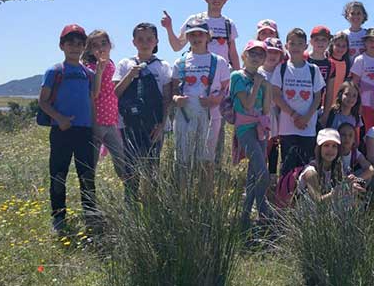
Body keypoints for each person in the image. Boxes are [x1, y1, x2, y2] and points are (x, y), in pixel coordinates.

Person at [39, 24, 98, 235]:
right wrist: (60, 119)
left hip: (84, 132)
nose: (75, 47)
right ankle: (58, 217)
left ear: (84, 47)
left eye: (79, 44)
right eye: (70, 43)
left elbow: (91, 102)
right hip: (61, 131)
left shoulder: (89, 74)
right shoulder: (54, 72)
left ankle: (91, 215)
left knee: (87, 176)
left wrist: (94, 128)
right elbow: (43, 101)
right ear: (62, 46)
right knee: (58, 175)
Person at [113, 23, 173, 198]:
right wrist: (130, 75)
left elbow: (167, 98)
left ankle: (151, 201)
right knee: (130, 165)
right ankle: (130, 201)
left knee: (152, 165)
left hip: (155, 124)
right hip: (129, 123)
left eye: (149, 39)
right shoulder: (125, 64)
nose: (145, 43)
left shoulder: (162, 66)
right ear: (134, 42)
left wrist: (162, 125)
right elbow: (116, 92)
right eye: (140, 39)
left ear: (156, 41)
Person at [170, 20, 230, 188]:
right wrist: (176, 99)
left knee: (206, 160)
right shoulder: (180, 62)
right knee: (182, 159)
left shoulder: (219, 62)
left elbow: (226, 89)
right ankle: (183, 196)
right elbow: (173, 89)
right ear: (187, 37)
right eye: (192, 35)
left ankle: (205, 197)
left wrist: (215, 100)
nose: (196, 38)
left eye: (200, 34)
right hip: (184, 116)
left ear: (208, 36)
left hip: (210, 116)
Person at [231, 40, 274, 230]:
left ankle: (245, 217)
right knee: (263, 173)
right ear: (244, 55)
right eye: (252, 53)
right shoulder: (237, 77)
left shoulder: (262, 79)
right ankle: (264, 212)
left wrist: (267, 87)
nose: (256, 57)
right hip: (245, 129)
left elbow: (266, 109)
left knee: (253, 175)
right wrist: (257, 85)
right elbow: (247, 105)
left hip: (260, 128)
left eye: (260, 54)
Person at [271, 28, 326, 173]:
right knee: (287, 165)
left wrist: (306, 118)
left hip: (308, 127)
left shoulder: (313, 70)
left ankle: (303, 188)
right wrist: (294, 115)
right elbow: (276, 95)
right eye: (292, 43)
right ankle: (285, 188)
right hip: (287, 127)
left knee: (306, 166)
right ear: (286, 46)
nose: (296, 47)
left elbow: (318, 97)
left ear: (306, 46)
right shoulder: (281, 69)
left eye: (300, 43)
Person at [81, 30, 127, 191]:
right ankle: (89, 198)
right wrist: (99, 71)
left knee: (121, 160)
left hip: (111, 121)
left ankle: (131, 195)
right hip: (96, 122)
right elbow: (94, 94)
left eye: (103, 43)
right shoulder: (89, 67)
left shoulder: (113, 64)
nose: (100, 48)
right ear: (89, 49)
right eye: (95, 45)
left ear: (110, 45)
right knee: (91, 164)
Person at [161, 0, 240, 70]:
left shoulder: (229, 23)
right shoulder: (194, 20)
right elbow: (177, 46)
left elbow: (233, 53)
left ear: (225, 0)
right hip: (197, 71)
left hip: (222, 73)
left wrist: (238, 75)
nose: (216, 0)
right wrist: (169, 28)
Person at [298, 128, 366, 202]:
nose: (330, 150)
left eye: (334, 146)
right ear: (319, 148)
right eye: (326, 145)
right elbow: (317, 202)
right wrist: (338, 191)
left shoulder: (337, 167)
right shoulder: (311, 172)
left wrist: (350, 186)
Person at [260, 38, 285, 187]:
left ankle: (272, 178)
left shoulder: (282, 72)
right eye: (269, 52)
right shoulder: (257, 71)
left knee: (274, 147)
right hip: (259, 116)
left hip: (276, 115)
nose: (272, 55)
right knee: (260, 148)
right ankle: (258, 178)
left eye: (276, 52)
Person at [351, 28, 374, 130]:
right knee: (368, 129)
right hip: (365, 102)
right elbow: (355, 83)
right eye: (370, 40)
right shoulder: (360, 59)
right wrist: (358, 103)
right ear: (365, 42)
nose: (373, 43)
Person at [322, 31, 351, 124]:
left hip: (336, 106)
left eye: (344, 46)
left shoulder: (347, 63)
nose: (340, 48)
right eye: (338, 45)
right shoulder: (326, 61)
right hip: (322, 105)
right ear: (332, 45)